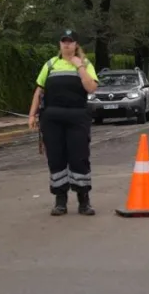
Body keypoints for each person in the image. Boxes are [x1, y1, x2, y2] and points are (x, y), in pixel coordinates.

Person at [28, 29, 99, 217]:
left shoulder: (85, 64)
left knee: (79, 157)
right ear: (60, 44)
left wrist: (80, 67)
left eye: (70, 41)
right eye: (63, 41)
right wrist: (32, 115)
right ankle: (60, 201)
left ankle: (84, 201)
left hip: (77, 117)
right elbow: (39, 91)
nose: (67, 44)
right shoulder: (50, 64)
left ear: (76, 45)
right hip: (52, 119)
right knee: (56, 159)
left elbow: (91, 88)